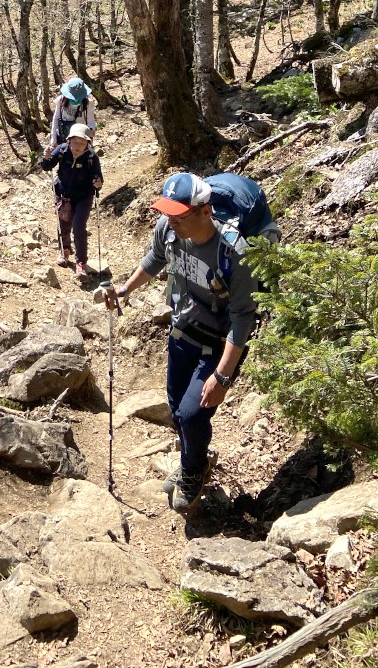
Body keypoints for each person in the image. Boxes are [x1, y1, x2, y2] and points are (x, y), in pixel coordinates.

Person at [102, 172, 260, 514]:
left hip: (218, 344)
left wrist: (222, 377)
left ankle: (192, 470)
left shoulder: (233, 252)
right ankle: (195, 460)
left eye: (178, 215)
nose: (169, 221)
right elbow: (154, 260)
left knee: (191, 415)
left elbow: (243, 319)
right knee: (176, 410)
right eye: (166, 213)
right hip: (182, 331)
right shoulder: (168, 230)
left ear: (204, 211)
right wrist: (125, 289)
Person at [41, 123, 103, 278]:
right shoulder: (62, 150)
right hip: (64, 194)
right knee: (62, 223)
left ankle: (81, 262)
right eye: (75, 142)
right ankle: (64, 250)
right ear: (69, 140)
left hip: (84, 196)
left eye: (82, 143)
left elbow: (98, 178)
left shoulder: (91, 157)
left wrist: (98, 184)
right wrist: (46, 158)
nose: (78, 146)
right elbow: (47, 166)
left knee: (78, 226)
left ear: (87, 144)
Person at [50, 77, 97, 150]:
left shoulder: (88, 103)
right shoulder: (61, 100)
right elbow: (56, 118)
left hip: (81, 137)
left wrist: (91, 130)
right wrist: (53, 138)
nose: (75, 99)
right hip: (63, 136)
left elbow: (91, 121)